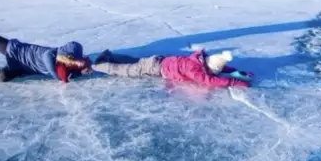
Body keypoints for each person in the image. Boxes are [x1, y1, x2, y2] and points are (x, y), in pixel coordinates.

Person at [0, 15, 91, 82]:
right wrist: (58, 76)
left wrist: (79, 72)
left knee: (2, 77)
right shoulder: (62, 52)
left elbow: (70, 73)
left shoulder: (68, 70)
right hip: (18, 52)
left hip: (22, 69)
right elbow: (48, 56)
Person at [92, 48, 252, 90]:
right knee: (126, 70)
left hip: (159, 60)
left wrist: (233, 70)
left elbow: (217, 67)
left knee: (135, 62)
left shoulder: (198, 60)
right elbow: (208, 80)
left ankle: (109, 55)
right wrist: (236, 82)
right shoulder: (194, 70)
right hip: (155, 68)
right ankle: (97, 65)